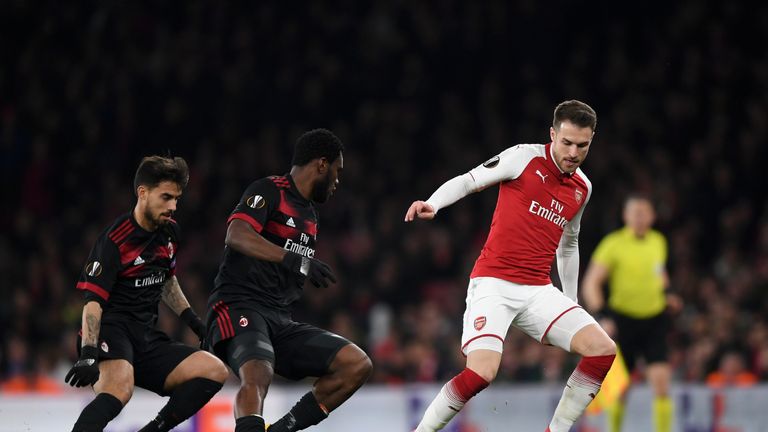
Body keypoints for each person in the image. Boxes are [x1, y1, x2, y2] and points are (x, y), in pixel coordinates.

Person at [404, 100, 616, 432]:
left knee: (603, 350)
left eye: (582, 145)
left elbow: (569, 242)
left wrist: (571, 302)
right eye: (567, 142)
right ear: (552, 134)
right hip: (493, 283)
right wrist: (433, 202)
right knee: (481, 373)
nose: (574, 152)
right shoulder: (524, 157)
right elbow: (469, 180)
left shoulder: (582, 189)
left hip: (538, 289)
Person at [206, 129, 373, 432]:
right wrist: (294, 260)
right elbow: (237, 235)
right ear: (322, 164)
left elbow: (287, 276)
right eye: (337, 170)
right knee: (257, 372)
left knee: (356, 363)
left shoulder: (310, 216)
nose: (338, 180)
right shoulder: (270, 190)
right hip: (237, 306)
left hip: (279, 320)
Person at [66, 156, 229, 432]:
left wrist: (193, 321)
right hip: (111, 330)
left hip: (145, 336)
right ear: (143, 193)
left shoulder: (169, 233)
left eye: (176, 199)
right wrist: (89, 352)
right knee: (120, 388)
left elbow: (166, 280)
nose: (173, 206)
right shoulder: (115, 241)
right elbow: (93, 302)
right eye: (166, 197)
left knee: (214, 370)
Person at [582, 195, 682, 432]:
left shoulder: (658, 241)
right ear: (625, 216)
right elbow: (591, 284)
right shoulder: (613, 244)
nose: (640, 218)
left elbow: (660, 273)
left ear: (652, 216)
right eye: (635, 213)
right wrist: (602, 316)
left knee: (661, 383)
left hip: (655, 319)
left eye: (644, 213)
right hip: (622, 321)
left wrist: (668, 294)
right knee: (621, 389)